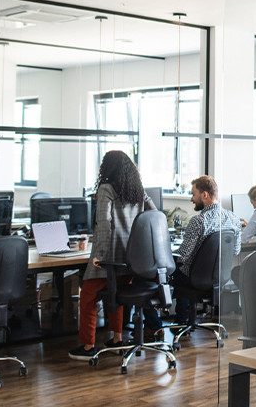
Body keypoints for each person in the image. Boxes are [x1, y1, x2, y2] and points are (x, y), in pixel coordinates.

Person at [68, 150, 156, 360]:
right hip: (131, 258)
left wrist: (100, 256)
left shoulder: (107, 189)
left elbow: (104, 224)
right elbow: (155, 214)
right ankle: (117, 339)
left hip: (111, 255)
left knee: (88, 296)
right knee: (116, 294)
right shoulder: (137, 190)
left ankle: (88, 346)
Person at [170, 175, 242, 331]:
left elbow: (183, 255)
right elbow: (236, 250)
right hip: (219, 278)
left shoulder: (198, 221)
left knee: (175, 268)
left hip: (195, 279)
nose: (191, 199)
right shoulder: (234, 219)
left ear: (205, 195)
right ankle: (185, 319)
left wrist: (167, 254)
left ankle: (181, 320)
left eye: (193, 194)